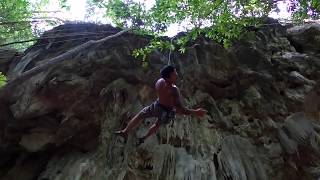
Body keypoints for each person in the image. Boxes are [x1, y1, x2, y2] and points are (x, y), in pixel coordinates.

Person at [115, 65, 207, 144]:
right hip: (167, 112)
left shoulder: (159, 82)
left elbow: (163, 90)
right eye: (175, 73)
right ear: (169, 76)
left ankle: (125, 131)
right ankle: (144, 138)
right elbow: (181, 109)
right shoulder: (174, 89)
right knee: (157, 124)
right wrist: (195, 112)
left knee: (140, 115)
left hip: (158, 106)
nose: (177, 74)